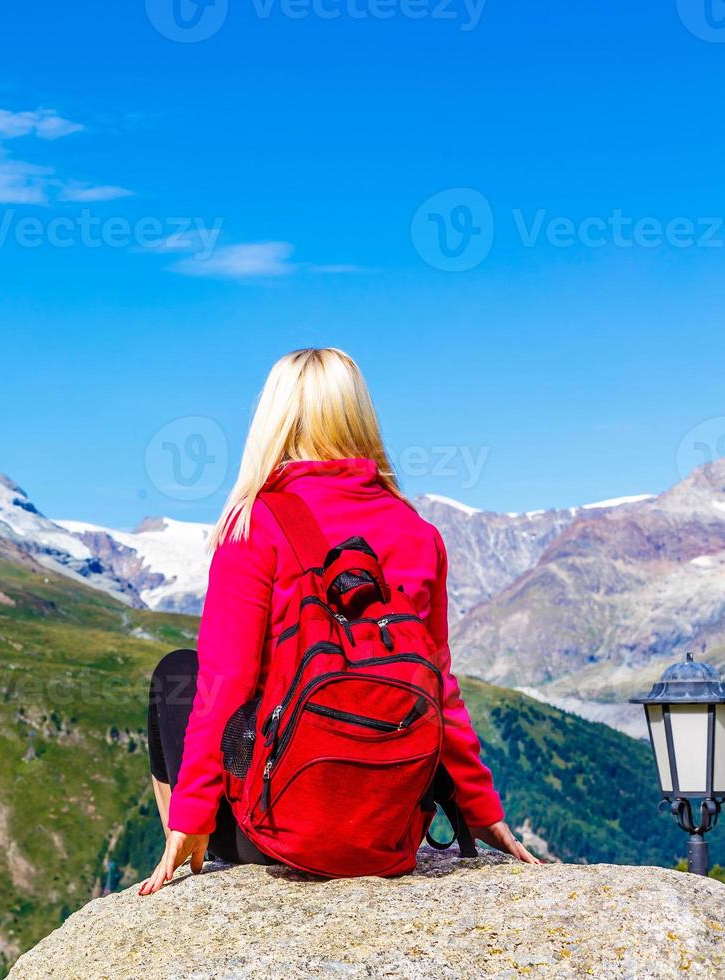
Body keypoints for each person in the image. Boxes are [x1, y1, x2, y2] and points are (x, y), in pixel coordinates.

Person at [139, 348, 540, 896]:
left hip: (274, 835)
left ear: (274, 423)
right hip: (388, 836)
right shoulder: (418, 534)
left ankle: (188, 848)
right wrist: (480, 810)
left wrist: (191, 815)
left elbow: (223, 686)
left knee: (175, 673)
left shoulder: (255, 524)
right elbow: (438, 686)